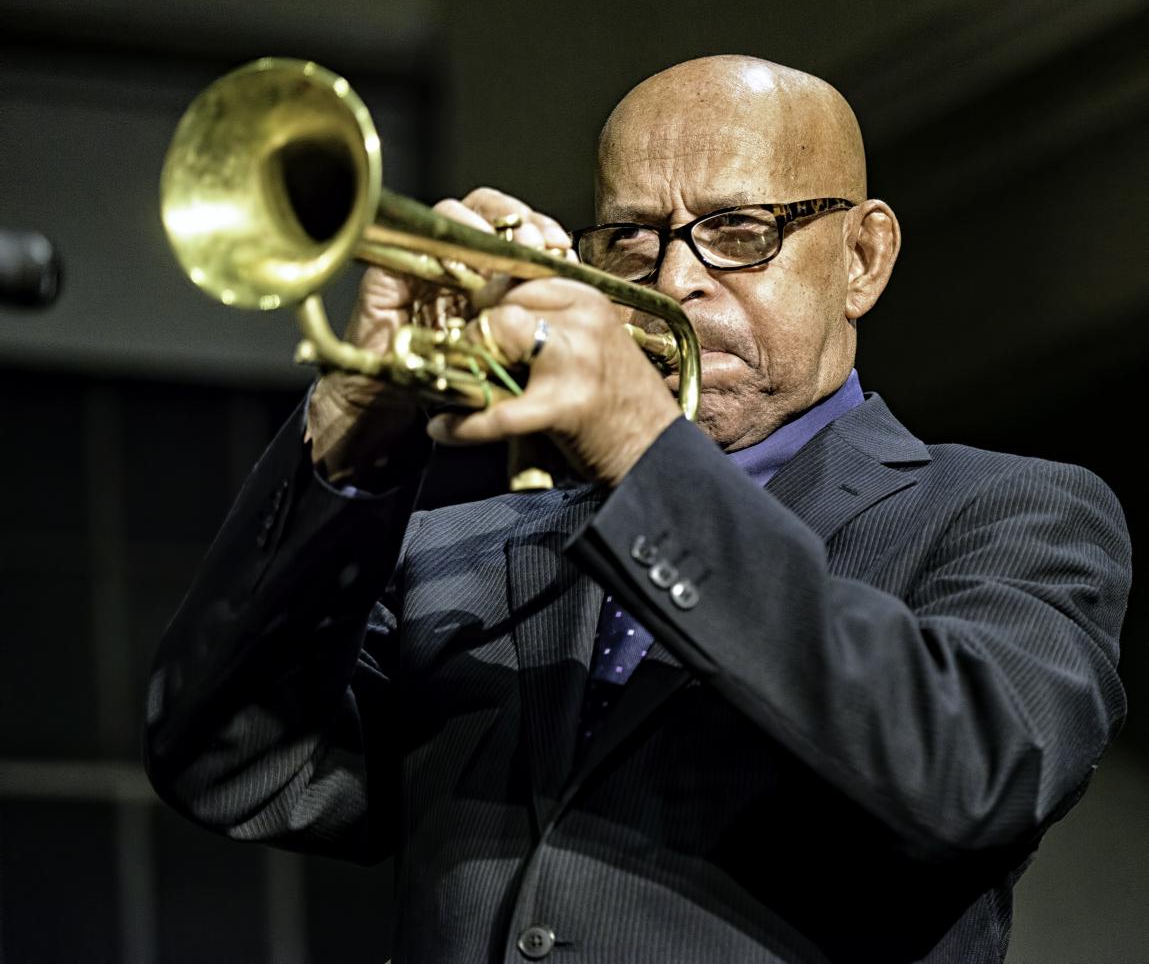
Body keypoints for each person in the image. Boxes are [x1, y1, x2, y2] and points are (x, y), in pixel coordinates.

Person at [143, 55, 1130, 963]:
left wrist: (634, 447)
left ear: (864, 257)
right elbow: (233, 763)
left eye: (740, 233)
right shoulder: (459, 552)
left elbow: (968, 773)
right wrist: (356, 413)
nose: (674, 278)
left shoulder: (1010, 513)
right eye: (629, 237)